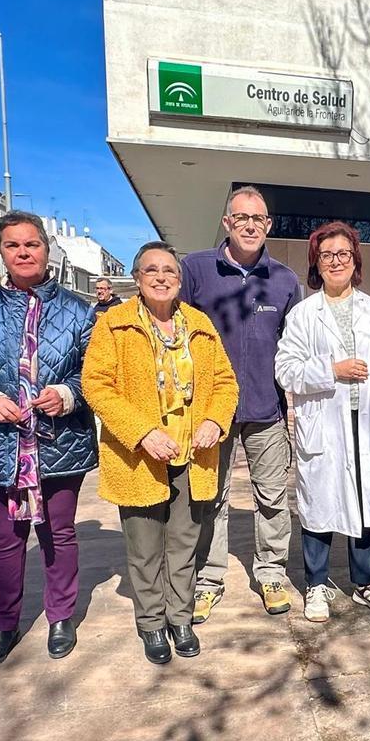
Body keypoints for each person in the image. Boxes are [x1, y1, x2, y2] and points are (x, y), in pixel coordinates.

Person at [0, 211, 97, 669]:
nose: (24, 252)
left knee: (59, 534)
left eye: (32, 244)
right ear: (2, 253)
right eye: (13, 245)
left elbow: (95, 370)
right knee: (5, 541)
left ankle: (61, 616)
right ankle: (3, 623)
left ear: (48, 250)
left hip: (58, 442)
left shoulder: (78, 310)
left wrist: (69, 393)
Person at [82, 241, 238, 665]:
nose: (162, 277)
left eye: (169, 269)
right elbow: (96, 385)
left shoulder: (200, 325)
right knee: (146, 547)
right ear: (137, 279)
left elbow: (225, 382)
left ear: (180, 278)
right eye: (151, 270)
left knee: (184, 544)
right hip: (141, 456)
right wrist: (142, 432)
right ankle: (151, 622)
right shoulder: (114, 324)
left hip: (192, 453)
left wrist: (215, 421)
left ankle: (180, 617)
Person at [180, 185, 302, 623]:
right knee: (211, 497)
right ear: (227, 222)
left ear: (268, 226)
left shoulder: (286, 281)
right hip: (211, 414)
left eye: (259, 219)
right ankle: (209, 580)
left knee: (272, 498)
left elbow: (294, 349)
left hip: (267, 412)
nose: (250, 225)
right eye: (241, 217)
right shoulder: (195, 270)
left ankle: (270, 573)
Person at [275, 221, 370, 623]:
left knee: (364, 503)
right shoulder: (303, 314)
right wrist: (331, 369)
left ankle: (365, 581)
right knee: (319, 505)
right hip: (324, 424)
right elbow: (285, 369)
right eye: (327, 255)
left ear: (355, 261)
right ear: (317, 262)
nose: (336, 262)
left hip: (366, 422)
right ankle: (316, 584)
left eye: (343, 254)